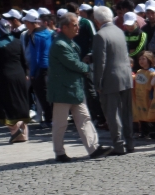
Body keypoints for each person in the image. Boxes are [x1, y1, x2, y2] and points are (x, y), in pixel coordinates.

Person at [47, 12, 112, 162]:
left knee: (85, 119)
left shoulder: (68, 42)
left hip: (74, 88)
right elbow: (74, 64)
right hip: (63, 90)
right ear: (64, 27)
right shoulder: (60, 45)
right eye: (74, 25)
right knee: (60, 123)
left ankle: (93, 148)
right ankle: (59, 152)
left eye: (77, 24)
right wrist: (88, 67)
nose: (78, 28)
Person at [92, 6, 135, 156]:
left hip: (110, 78)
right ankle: (130, 142)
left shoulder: (100, 35)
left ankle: (119, 145)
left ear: (97, 21)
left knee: (112, 113)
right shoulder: (120, 31)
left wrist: (97, 82)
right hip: (125, 76)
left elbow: (100, 62)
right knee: (126, 112)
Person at [0, 19, 31, 144]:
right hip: (19, 76)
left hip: (2, 78)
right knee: (20, 102)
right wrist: (26, 74)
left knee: (2, 105)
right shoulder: (17, 42)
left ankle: (15, 129)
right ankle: (23, 135)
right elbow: (23, 60)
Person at [28, 10, 54, 129]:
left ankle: (49, 120)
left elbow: (35, 56)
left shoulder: (34, 35)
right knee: (50, 94)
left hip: (40, 69)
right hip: (51, 66)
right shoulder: (48, 33)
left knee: (43, 97)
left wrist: (32, 73)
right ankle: (53, 119)